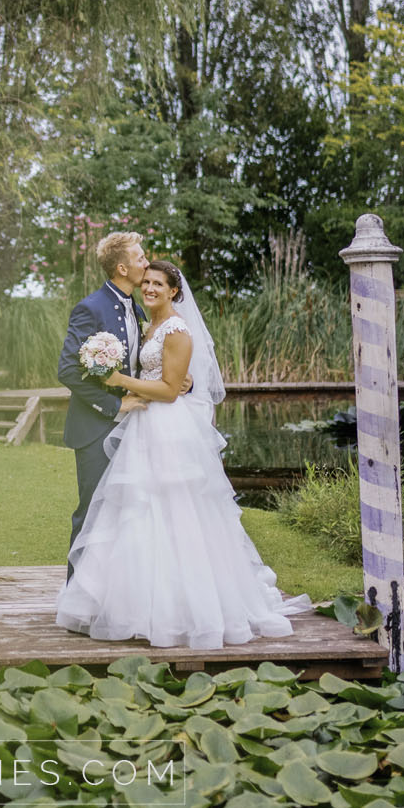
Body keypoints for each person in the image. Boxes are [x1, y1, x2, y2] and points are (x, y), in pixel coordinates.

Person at [55, 258, 313, 648]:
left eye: (159, 284)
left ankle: (186, 609)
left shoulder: (177, 329)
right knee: (136, 511)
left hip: (168, 429)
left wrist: (121, 381)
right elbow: (166, 377)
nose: (151, 289)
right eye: (148, 283)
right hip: (144, 427)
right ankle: (132, 604)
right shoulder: (149, 325)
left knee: (176, 511)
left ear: (175, 291)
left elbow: (171, 389)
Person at [55, 232, 150, 573]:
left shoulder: (136, 308)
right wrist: (114, 406)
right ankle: (75, 600)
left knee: (127, 513)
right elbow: (67, 369)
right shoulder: (90, 308)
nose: (147, 263)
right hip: (94, 430)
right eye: (141, 258)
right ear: (122, 268)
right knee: (92, 512)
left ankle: (111, 598)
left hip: (133, 430)